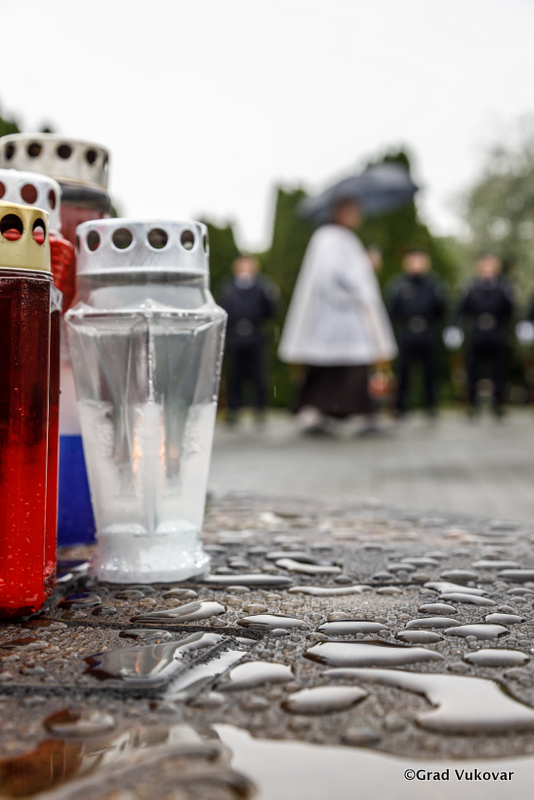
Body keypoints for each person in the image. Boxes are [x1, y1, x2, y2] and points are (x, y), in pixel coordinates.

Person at [278, 198, 397, 434]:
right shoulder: (328, 238)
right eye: (351, 210)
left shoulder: (344, 238)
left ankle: (345, 413)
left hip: (346, 319)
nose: (357, 215)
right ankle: (318, 414)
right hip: (335, 317)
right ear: (337, 211)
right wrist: (365, 266)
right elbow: (332, 277)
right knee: (332, 366)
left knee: (344, 366)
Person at [219, 253, 278, 425]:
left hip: (256, 337)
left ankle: (260, 409)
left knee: (259, 375)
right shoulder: (228, 287)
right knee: (234, 376)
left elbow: (272, 311)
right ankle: (234, 409)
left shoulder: (262, 286)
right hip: (236, 338)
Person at [388, 248, 445, 417]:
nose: (417, 264)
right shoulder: (398, 285)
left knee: (430, 370)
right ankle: (400, 406)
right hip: (406, 331)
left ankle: (430, 405)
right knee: (403, 370)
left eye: (420, 260)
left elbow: (441, 310)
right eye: (413, 260)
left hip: (427, 330)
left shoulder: (434, 285)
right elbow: (392, 311)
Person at [456, 253, 514, 418]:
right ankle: (473, 403)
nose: (488, 268)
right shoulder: (471, 287)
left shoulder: (504, 287)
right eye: (485, 264)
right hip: (477, 331)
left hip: (496, 331)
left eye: (491, 264)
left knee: (499, 369)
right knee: (473, 368)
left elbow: (510, 311)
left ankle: (498, 403)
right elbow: (462, 309)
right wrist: (455, 327)